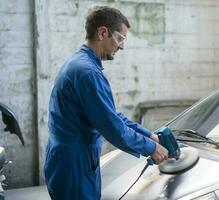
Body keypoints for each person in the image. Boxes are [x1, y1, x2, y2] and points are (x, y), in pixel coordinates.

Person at [44, 6, 168, 200]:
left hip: (71, 158)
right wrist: (152, 148)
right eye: (120, 38)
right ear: (103, 33)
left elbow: (110, 114)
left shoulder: (81, 64)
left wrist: (150, 136)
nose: (122, 46)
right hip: (75, 162)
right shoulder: (88, 73)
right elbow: (112, 127)